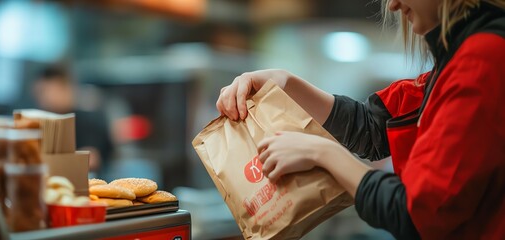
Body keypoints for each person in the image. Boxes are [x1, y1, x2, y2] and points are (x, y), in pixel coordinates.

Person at [216, 0, 505, 239]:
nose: (392, 5)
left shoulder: (481, 61)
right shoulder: (463, 59)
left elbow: (416, 215)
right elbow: (372, 127)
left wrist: (322, 152)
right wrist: (286, 82)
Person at [33, 67, 114, 177]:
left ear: (66, 88)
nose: (43, 98)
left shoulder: (90, 119)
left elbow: (91, 160)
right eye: (39, 92)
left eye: (46, 91)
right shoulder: (39, 122)